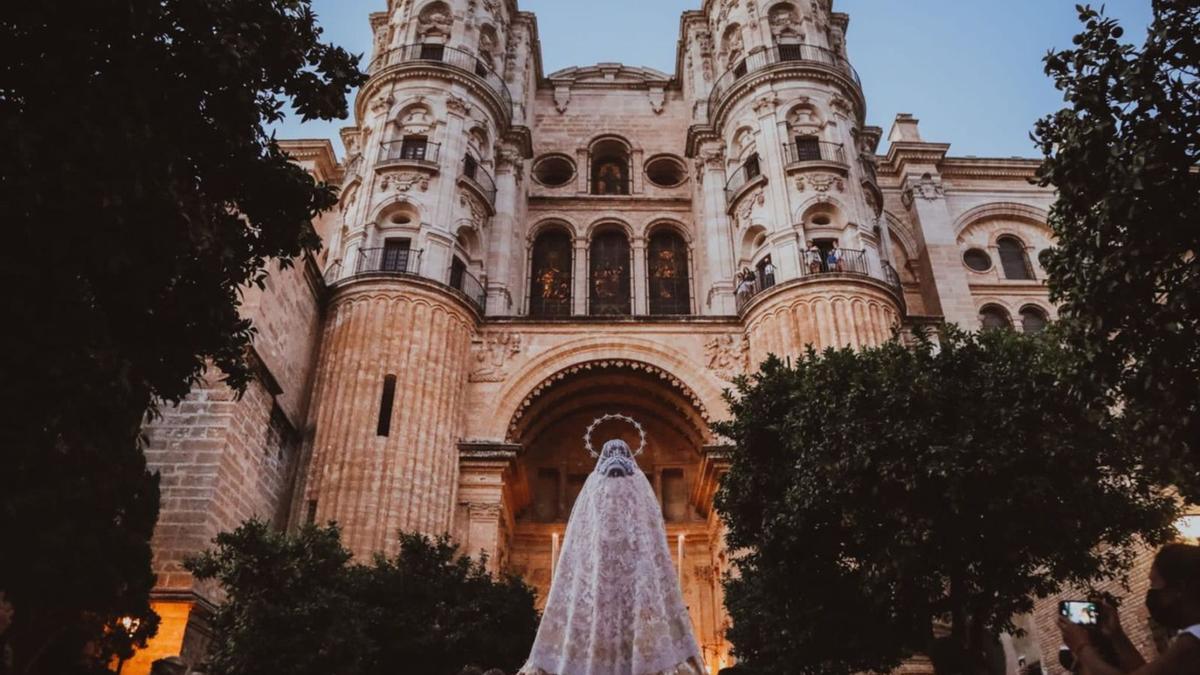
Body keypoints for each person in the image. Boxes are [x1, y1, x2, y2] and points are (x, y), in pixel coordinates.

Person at [518, 434, 705, 674]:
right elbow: (650, 533)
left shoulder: (594, 485)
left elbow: (582, 537)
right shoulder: (638, 484)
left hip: (601, 572)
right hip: (633, 570)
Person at [1058, 543, 1200, 674]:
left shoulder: (1193, 641)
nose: (1151, 594)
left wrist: (1081, 647)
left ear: (1179, 588)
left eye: (1154, 586)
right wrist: (1117, 635)